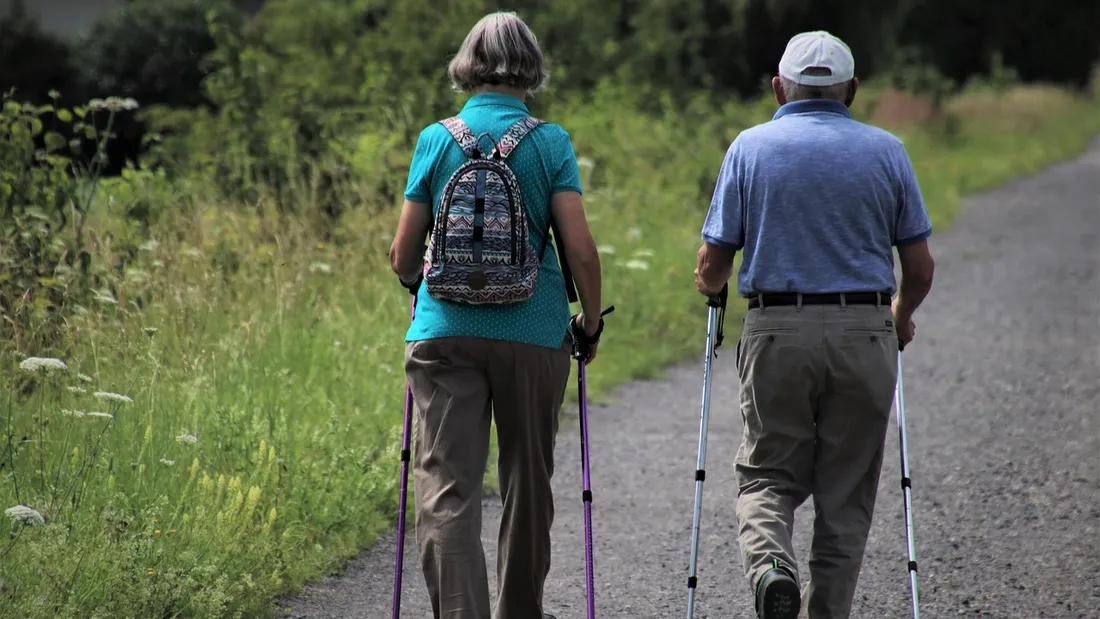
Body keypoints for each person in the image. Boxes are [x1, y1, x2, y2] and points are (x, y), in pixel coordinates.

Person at [693, 31, 936, 619]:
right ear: (852, 90)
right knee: (846, 496)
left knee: (767, 475)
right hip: (865, 329)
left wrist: (711, 283)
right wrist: (899, 317)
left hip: (778, 329)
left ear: (779, 88)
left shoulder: (751, 148)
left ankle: (772, 563)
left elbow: (713, 262)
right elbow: (920, 267)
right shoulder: (888, 151)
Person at [387, 11, 605, 619]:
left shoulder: (436, 139)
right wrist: (588, 322)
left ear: (467, 66)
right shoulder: (550, 142)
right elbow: (580, 250)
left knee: (448, 490)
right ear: (530, 69)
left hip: (445, 334)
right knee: (526, 486)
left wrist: (416, 283)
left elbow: (404, 255)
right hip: (534, 333)